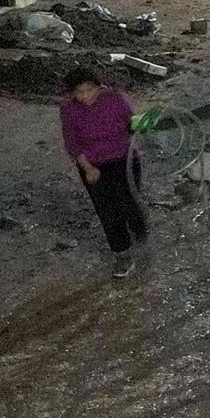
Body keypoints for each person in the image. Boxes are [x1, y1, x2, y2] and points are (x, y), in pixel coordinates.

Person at [60, 68, 148, 278]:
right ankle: (122, 253)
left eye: (89, 90)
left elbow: (132, 123)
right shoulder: (69, 110)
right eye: (79, 92)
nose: (84, 96)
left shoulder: (114, 99)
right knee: (107, 211)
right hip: (94, 165)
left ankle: (139, 228)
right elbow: (72, 144)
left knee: (129, 202)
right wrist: (88, 168)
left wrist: (143, 126)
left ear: (98, 88)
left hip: (123, 159)